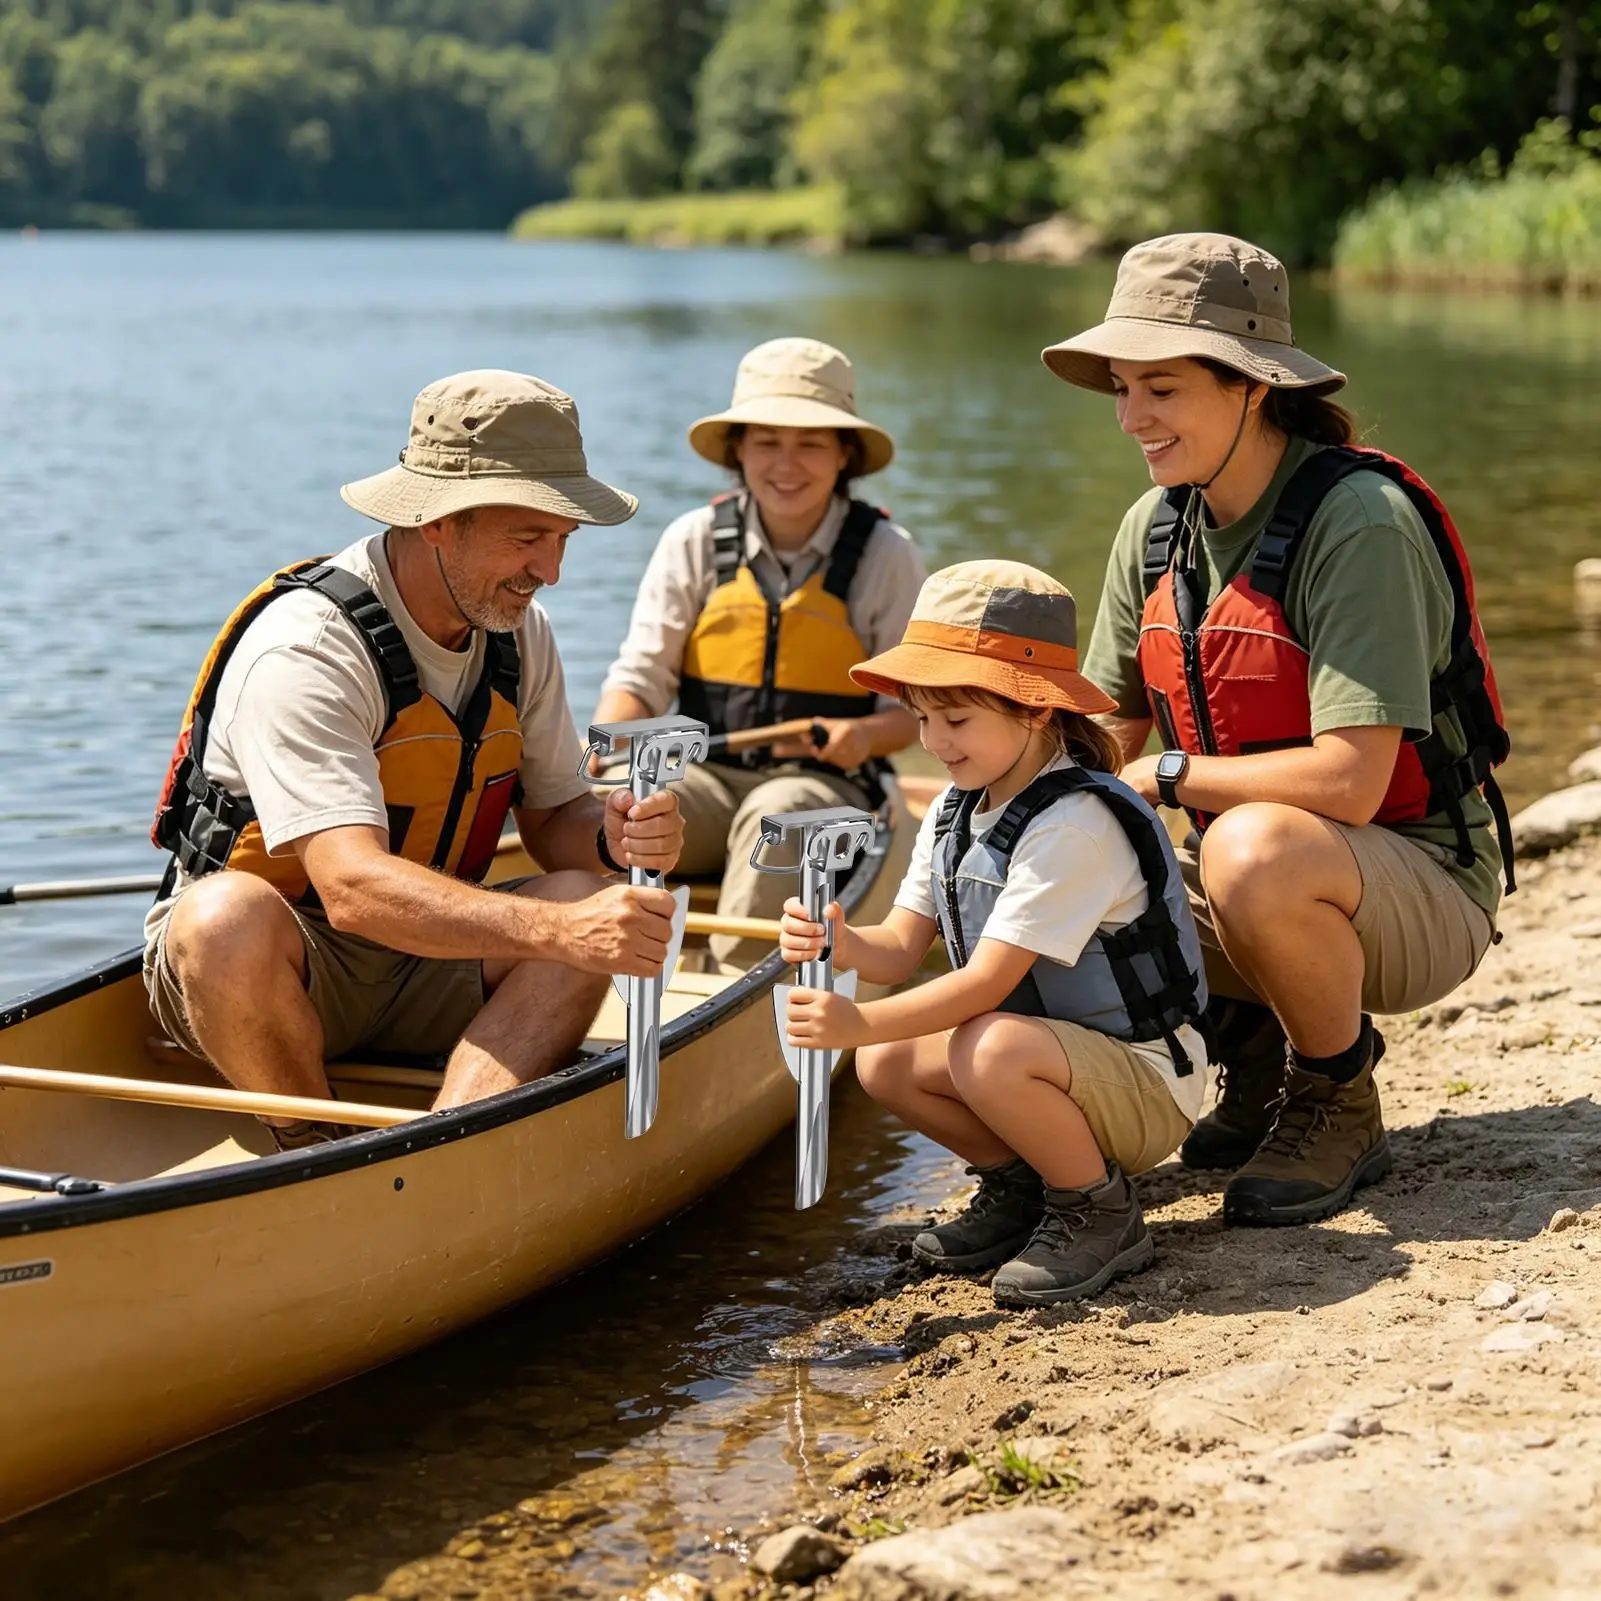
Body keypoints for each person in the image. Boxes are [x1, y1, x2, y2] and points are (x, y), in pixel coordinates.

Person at [1042, 232, 1510, 1226]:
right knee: (1027, 843)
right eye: (1120, 387)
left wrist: (1165, 775)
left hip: (1412, 881)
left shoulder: (1360, 522)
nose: (1129, 418)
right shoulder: (1154, 528)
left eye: (1158, 389)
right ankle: (1241, 1058)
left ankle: (1333, 1090)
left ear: (1250, 386)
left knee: (1248, 848)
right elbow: (1104, 734)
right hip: (1257, 871)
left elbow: (1348, 784)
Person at [144, 370, 686, 1147]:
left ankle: (448, 1144)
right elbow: (352, 890)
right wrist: (560, 933)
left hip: (425, 963)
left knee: (581, 892)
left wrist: (613, 835)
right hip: (282, 964)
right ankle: (313, 1148)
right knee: (222, 916)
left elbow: (553, 818)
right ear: (439, 521)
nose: (552, 571)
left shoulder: (518, 631)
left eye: (562, 538)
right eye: (528, 536)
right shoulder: (309, 647)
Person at [778, 561, 1209, 1306]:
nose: (934, 742)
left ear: (1036, 711)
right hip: (1047, 1068)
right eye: (919, 718)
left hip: (1144, 1086)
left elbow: (984, 986)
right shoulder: (955, 806)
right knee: (885, 1062)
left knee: (984, 1040)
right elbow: (899, 946)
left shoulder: (1074, 823)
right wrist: (841, 943)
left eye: (956, 720)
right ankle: (1023, 1191)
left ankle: (1097, 1211)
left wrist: (854, 1020)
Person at [591, 337, 926, 968]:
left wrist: (864, 735)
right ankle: (594, 966)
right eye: (767, 442)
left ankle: (726, 990)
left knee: (776, 816)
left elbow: (915, 714)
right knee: (617, 805)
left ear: (844, 454)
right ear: (738, 451)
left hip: (830, 787)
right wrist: (608, 746)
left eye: (810, 443)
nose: (786, 464)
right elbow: (640, 676)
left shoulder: (888, 554)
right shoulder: (691, 540)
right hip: (711, 780)